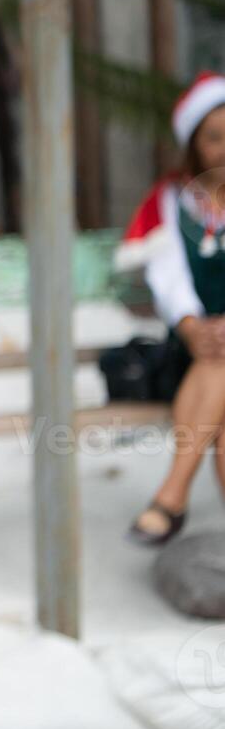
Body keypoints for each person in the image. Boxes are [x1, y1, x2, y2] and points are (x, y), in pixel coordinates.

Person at [120, 70, 225, 545]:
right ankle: (175, 496)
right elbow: (168, 280)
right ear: (194, 146)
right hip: (192, 349)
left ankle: (172, 496)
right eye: (214, 137)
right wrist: (192, 326)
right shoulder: (171, 203)